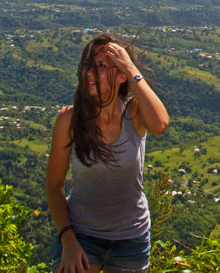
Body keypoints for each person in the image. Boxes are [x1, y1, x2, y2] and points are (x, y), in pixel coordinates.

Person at [46, 33, 169, 273]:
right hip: (82, 233)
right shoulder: (69, 120)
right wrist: (68, 240)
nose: (90, 72)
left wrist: (131, 68)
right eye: (87, 65)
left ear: (122, 75)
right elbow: (54, 185)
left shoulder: (134, 113)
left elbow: (160, 124)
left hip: (130, 237)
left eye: (101, 66)